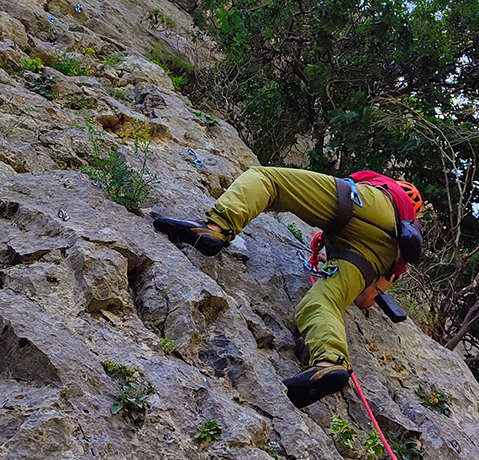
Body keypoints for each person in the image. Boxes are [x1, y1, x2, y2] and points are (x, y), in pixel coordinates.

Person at [152, 166, 424, 408]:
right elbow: (365, 300)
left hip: (368, 202)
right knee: (322, 302)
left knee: (268, 179)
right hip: (379, 255)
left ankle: (217, 228)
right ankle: (329, 363)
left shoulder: (381, 182)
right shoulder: (405, 245)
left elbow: (338, 199)